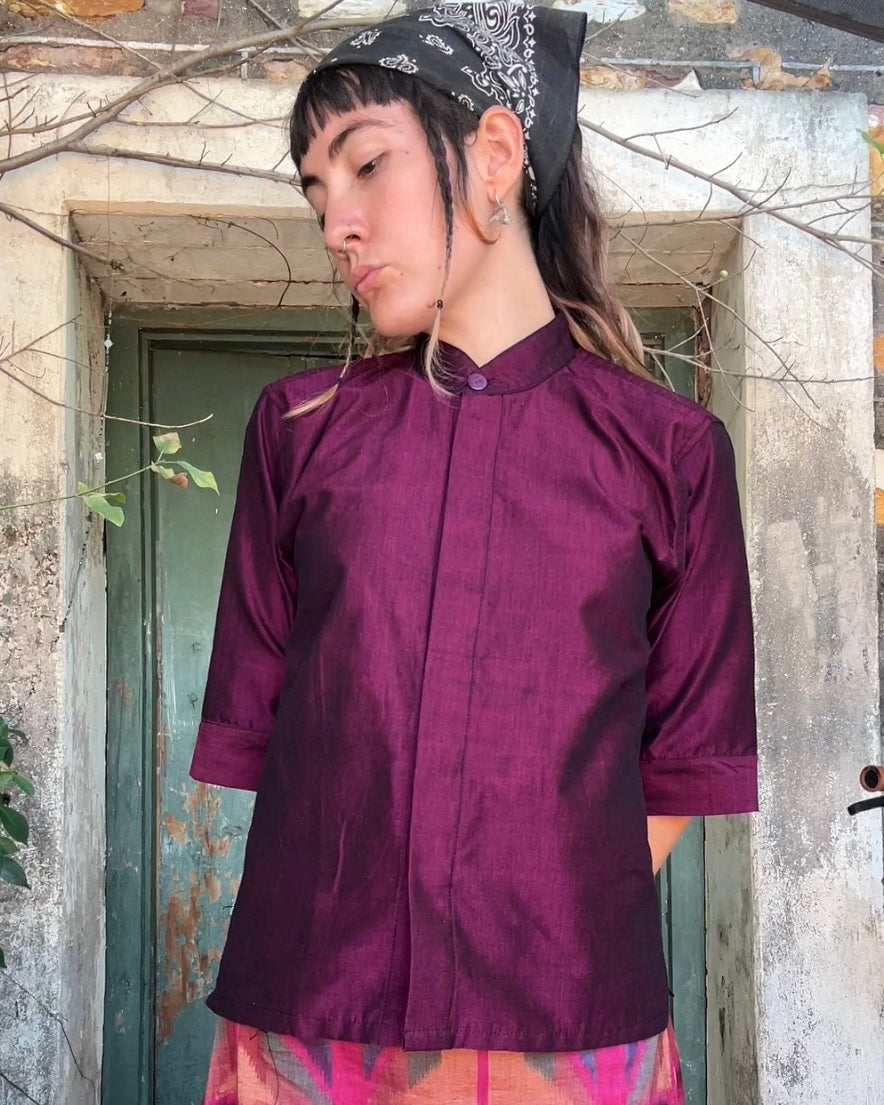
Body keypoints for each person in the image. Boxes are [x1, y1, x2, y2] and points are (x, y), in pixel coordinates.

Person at [190, 4, 758, 1103]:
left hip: (565, 1019)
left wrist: (531, 910)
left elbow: (688, 757)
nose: (337, 224)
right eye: (316, 194)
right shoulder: (298, 431)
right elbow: (274, 743)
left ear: (493, 155)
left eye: (366, 166)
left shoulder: (671, 452)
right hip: (313, 1014)